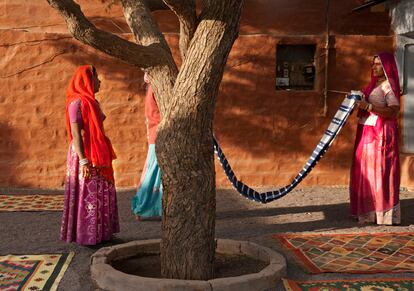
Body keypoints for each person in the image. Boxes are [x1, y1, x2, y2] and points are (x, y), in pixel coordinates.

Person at [60, 65, 120, 245]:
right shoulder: (76, 103)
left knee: (99, 191)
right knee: (88, 192)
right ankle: (86, 235)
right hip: (84, 154)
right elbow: (76, 135)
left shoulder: (92, 102)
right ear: (87, 80)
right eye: (97, 78)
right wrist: (84, 161)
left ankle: (101, 233)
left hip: (97, 151)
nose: (99, 81)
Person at [350, 52, 401, 225]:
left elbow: (394, 110)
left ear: (387, 67)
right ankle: (368, 212)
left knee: (380, 171)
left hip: (381, 135)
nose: (374, 67)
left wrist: (370, 106)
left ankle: (383, 213)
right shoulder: (372, 85)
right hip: (367, 133)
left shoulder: (388, 85)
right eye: (373, 63)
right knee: (366, 171)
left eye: (378, 64)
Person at [131, 73, 163, 220]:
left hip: (155, 134)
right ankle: (141, 207)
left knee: (153, 171)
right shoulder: (157, 89)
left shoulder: (151, 89)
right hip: (159, 134)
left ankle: (145, 207)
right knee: (152, 172)